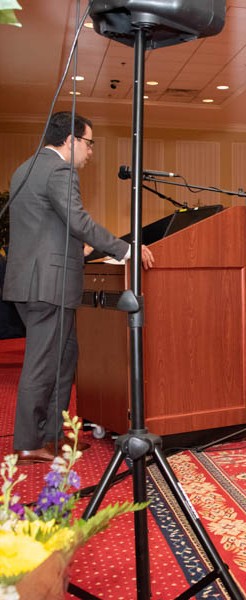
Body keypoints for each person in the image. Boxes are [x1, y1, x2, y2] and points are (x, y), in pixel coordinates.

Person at [3, 111, 155, 464]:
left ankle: (53, 437)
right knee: (43, 364)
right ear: (70, 140)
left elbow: (47, 226)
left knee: (63, 358)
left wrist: (79, 247)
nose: (90, 152)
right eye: (89, 143)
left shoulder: (25, 168)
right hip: (47, 283)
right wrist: (126, 247)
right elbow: (78, 219)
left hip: (32, 280)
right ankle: (28, 442)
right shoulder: (59, 170)